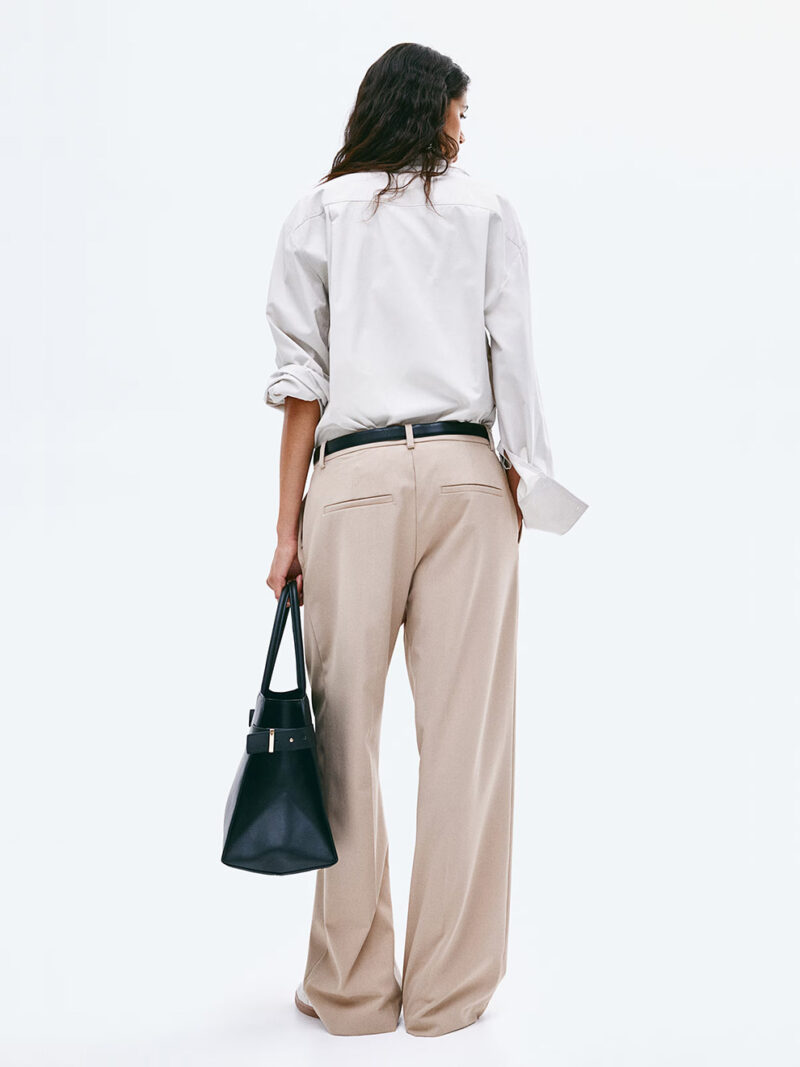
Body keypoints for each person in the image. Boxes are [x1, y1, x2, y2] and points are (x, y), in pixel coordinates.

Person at [262, 42, 588, 1038]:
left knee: (341, 735)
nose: (460, 130)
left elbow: (301, 382)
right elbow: (513, 360)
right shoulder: (484, 211)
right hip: (464, 472)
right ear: (430, 109)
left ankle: (352, 990)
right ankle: (447, 992)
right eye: (457, 111)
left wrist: (285, 527)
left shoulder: (319, 212)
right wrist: (522, 479)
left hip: (353, 478)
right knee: (465, 738)